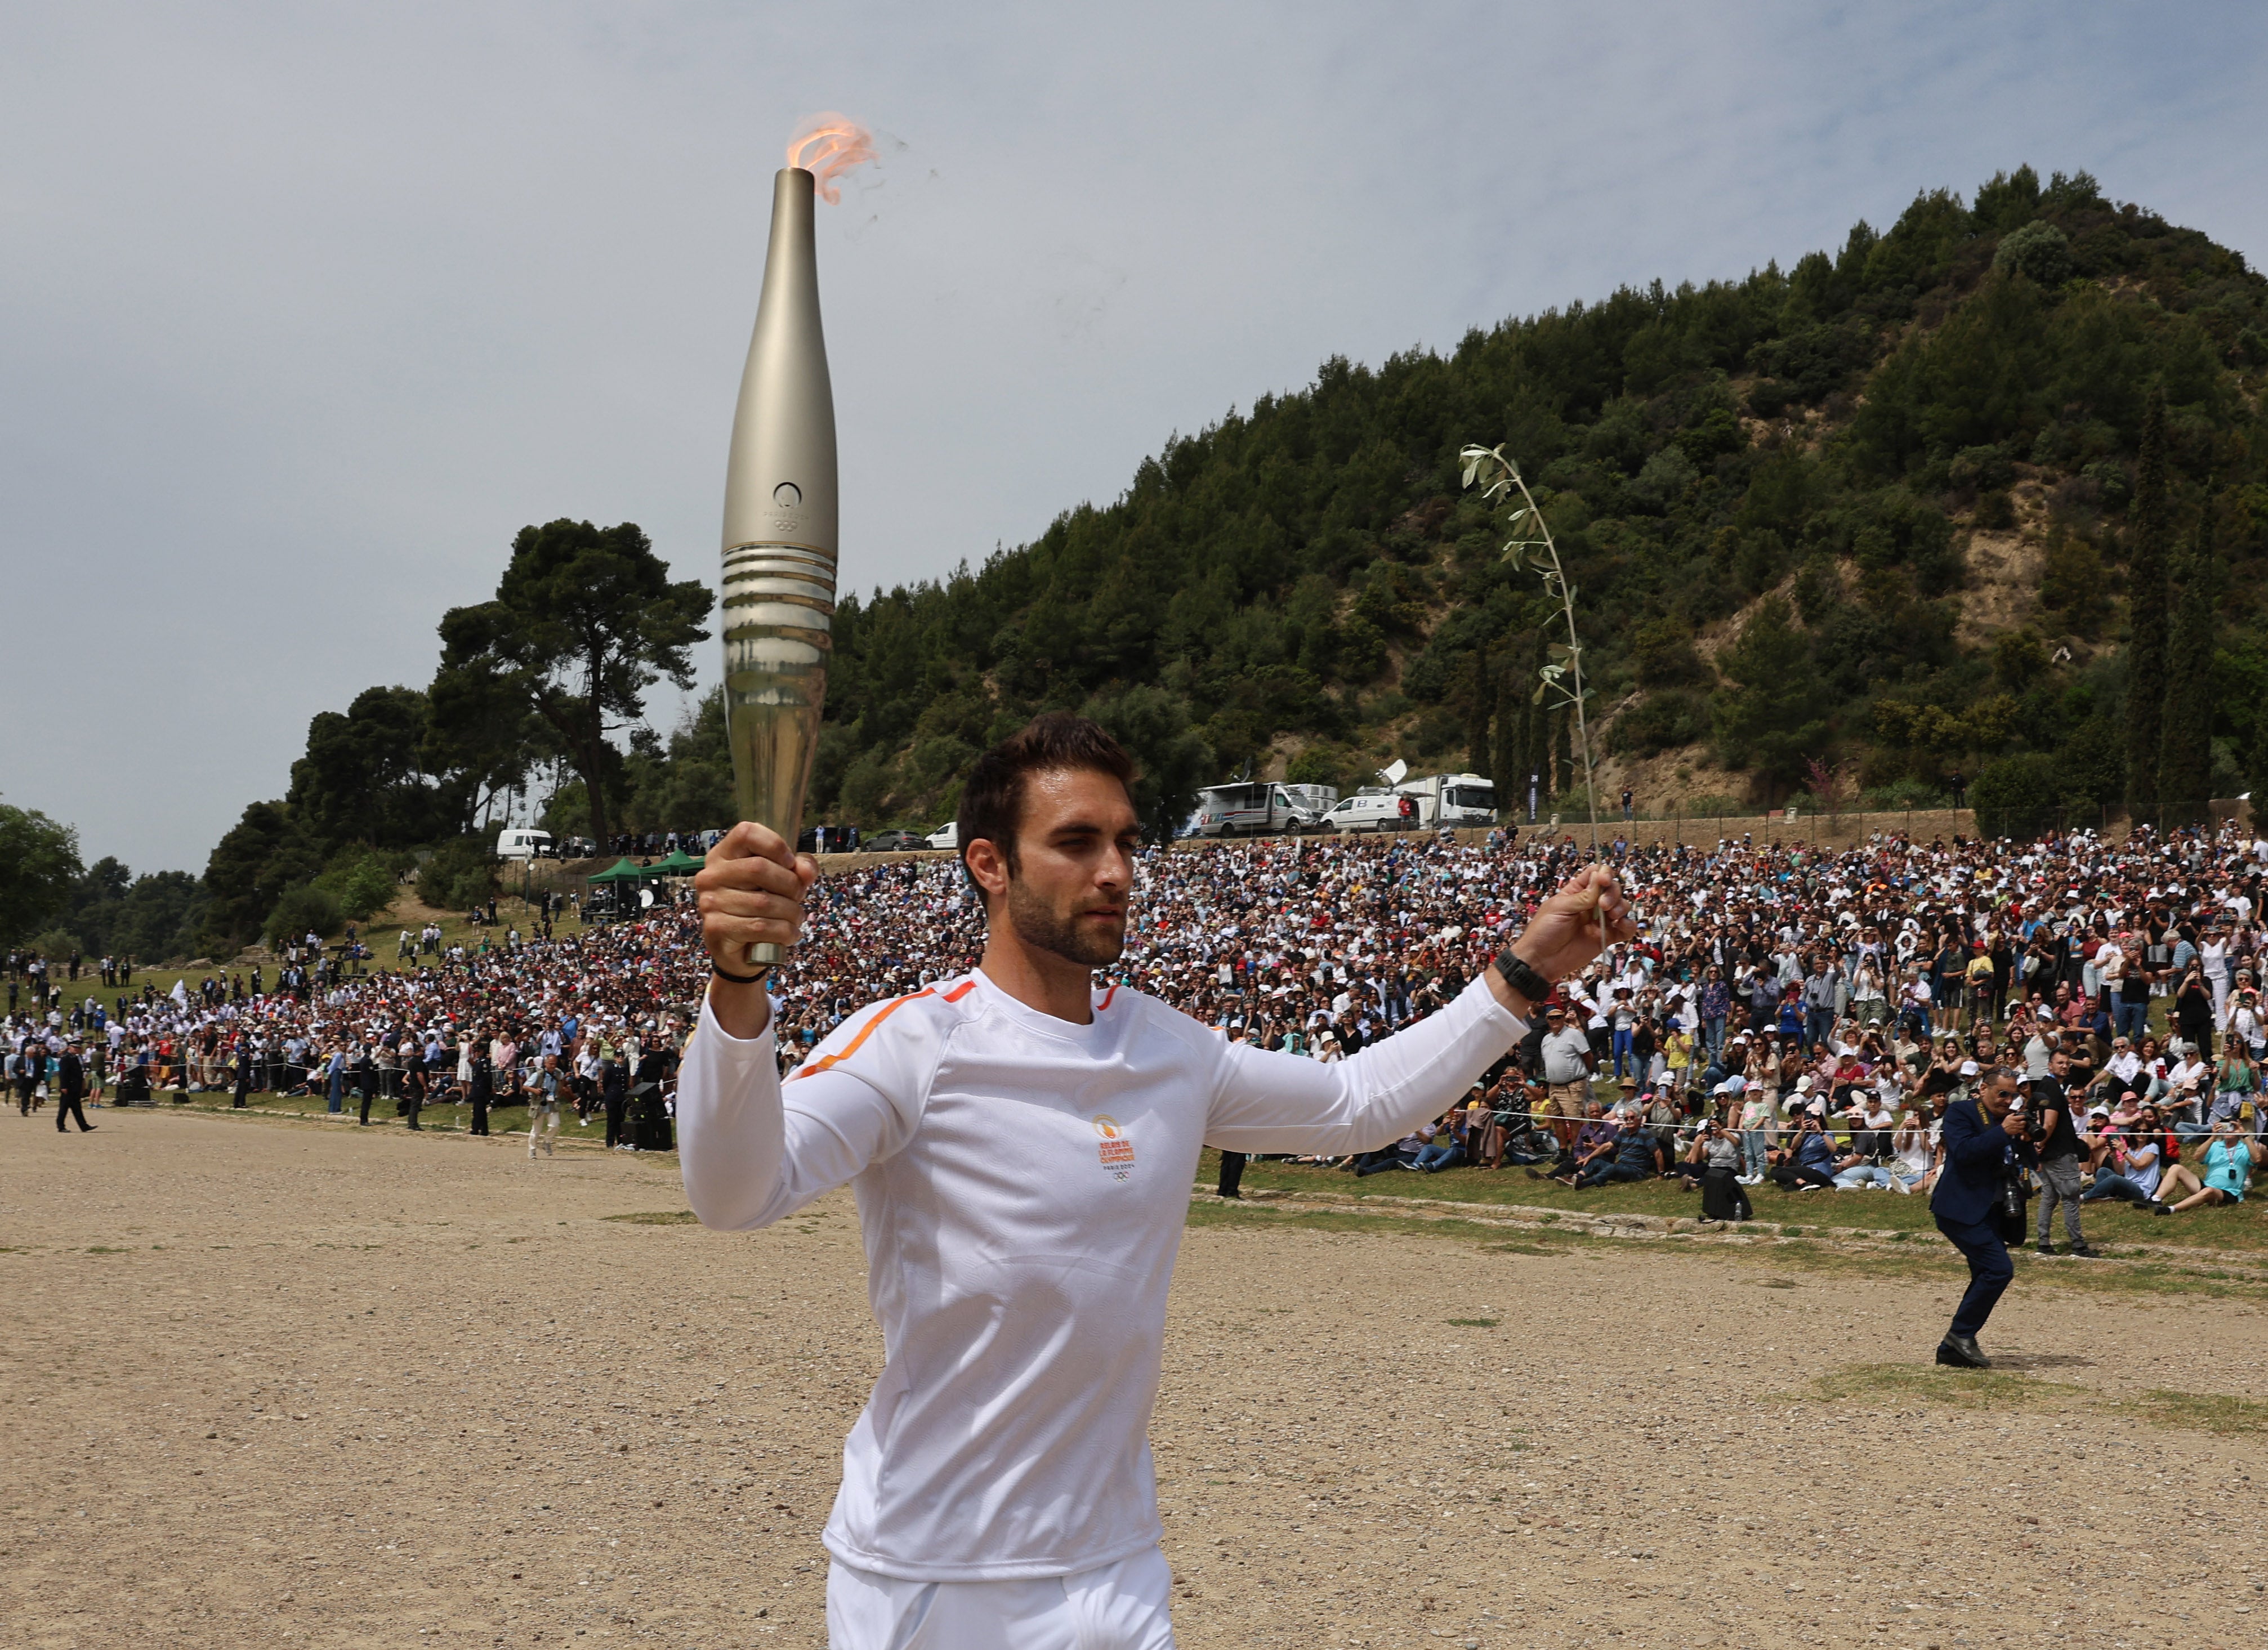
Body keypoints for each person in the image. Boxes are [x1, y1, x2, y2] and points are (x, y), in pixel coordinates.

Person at [677, 712, 1634, 1648]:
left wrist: (1523, 971)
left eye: (1126, 841)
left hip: (1117, 1567)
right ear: (989, 865)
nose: (1115, 872)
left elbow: (1355, 1104)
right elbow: (735, 1194)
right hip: (937, 1579)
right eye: (1077, 842)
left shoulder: (1164, 1047)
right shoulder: (914, 1044)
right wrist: (736, 984)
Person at [1928, 1065, 2034, 1369]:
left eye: (2013, 1096)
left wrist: (2026, 1140)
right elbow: (1963, 1152)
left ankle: (1954, 1347)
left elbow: (2026, 1162)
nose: (2007, 1101)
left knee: (1985, 1274)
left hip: (1994, 1210)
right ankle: (1959, 1335)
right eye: (2002, 1093)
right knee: (2000, 1270)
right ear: (1984, 1089)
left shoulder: (2011, 1121)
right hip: (1959, 1209)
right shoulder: (1961, 1112)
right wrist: (2002, 1133)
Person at [2028, 1060, 2095, 1258]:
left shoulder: (2044, 1087)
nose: (2064, 1066)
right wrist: (2041, 1144)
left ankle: (2043, 1244)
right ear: (2050, 1066)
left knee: (2049, 1198)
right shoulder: (2053, 1089)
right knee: (2070, 1197)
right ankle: (2078, 1246)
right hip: (2060, 1153)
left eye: (2067, 1063)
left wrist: (2040, 1146)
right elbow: (2049, 1123)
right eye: (2059, 1063)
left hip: (2050, 1153)